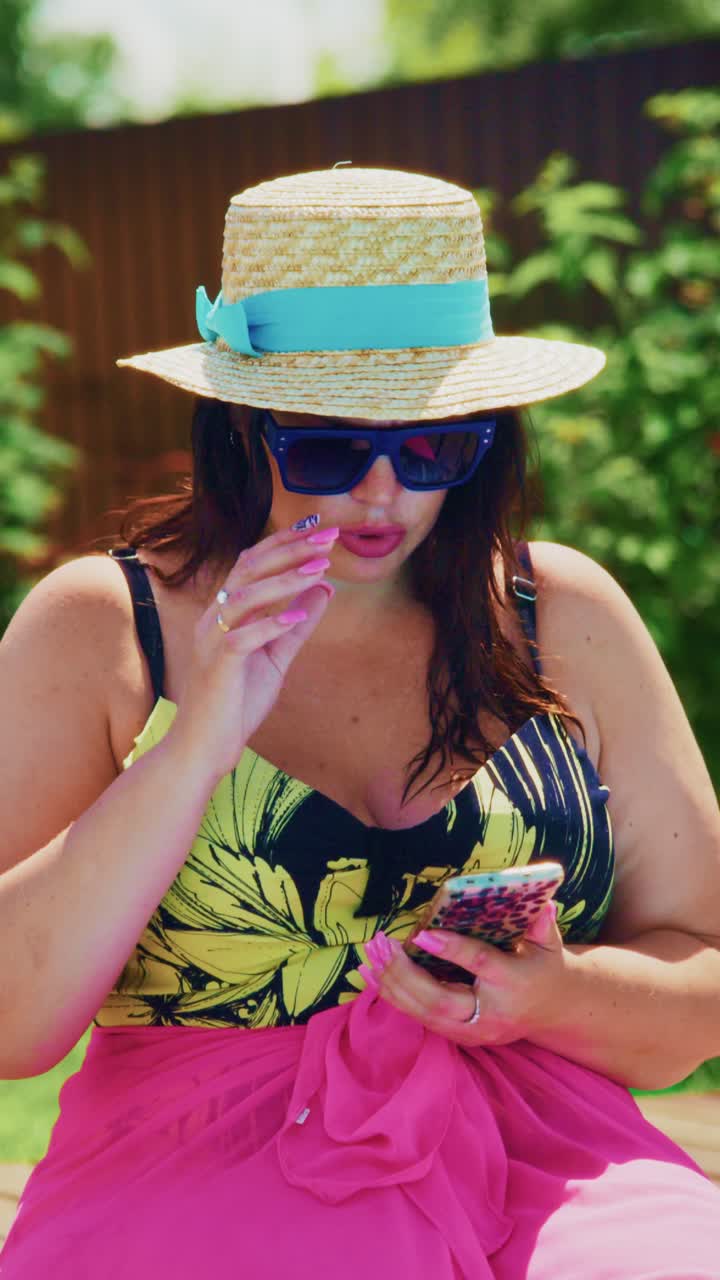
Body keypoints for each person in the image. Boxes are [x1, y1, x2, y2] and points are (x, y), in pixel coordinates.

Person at [0, 165, 719, 1279]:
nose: (382, 493)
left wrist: (561, 990)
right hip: (195, 1164)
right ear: (243, 425)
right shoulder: (109, 628)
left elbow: (703, 976)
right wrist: (197, 740)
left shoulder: (562, 614)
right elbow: (12, 1022)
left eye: (431, 444)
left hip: (545, 1148)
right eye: (331, 446)